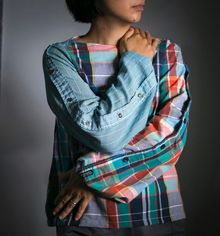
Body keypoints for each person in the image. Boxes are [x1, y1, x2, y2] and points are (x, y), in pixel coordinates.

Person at [42, 0, 192, 235]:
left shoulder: (167, 53)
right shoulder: (62, 56)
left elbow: (171, 137)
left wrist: (91, 175)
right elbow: (103, 134)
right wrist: (137, 62)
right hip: (84, 215)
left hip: (155, 208)